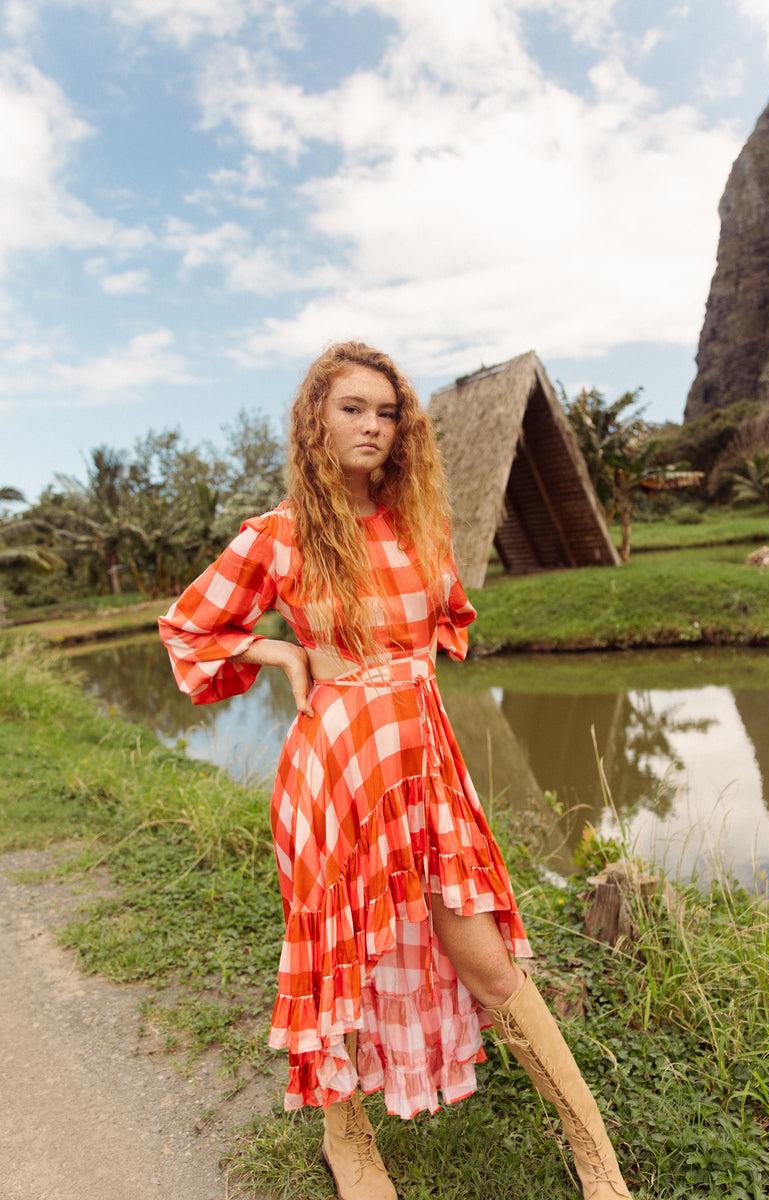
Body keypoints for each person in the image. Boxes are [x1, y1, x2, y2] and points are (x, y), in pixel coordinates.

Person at [157, 341, 633, 1200]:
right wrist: (283, 651)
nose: (373, 426)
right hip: (333, 772)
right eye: (352, 409)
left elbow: (446, 621)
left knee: (486, 961)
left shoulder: (420, 522)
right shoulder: (278, 535)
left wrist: (395, 681)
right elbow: (187, 629)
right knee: (337, 959)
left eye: (386, 412)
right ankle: (350, 1145)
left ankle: (592, 1147)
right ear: (315, 419)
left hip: (423, 767)